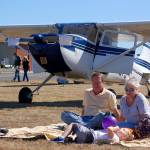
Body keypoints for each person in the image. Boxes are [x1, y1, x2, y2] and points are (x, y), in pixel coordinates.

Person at [51, 123, 134, 144]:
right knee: (77, 133)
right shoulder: (116, 140)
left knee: (73, 125)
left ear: (123, 136)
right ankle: (71, 138)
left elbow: (109, 129)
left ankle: (61, 138)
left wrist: (114, 128)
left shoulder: (115, 136)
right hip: (88, 141)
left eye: (123, 130)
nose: (120, 129)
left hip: (89, 135)